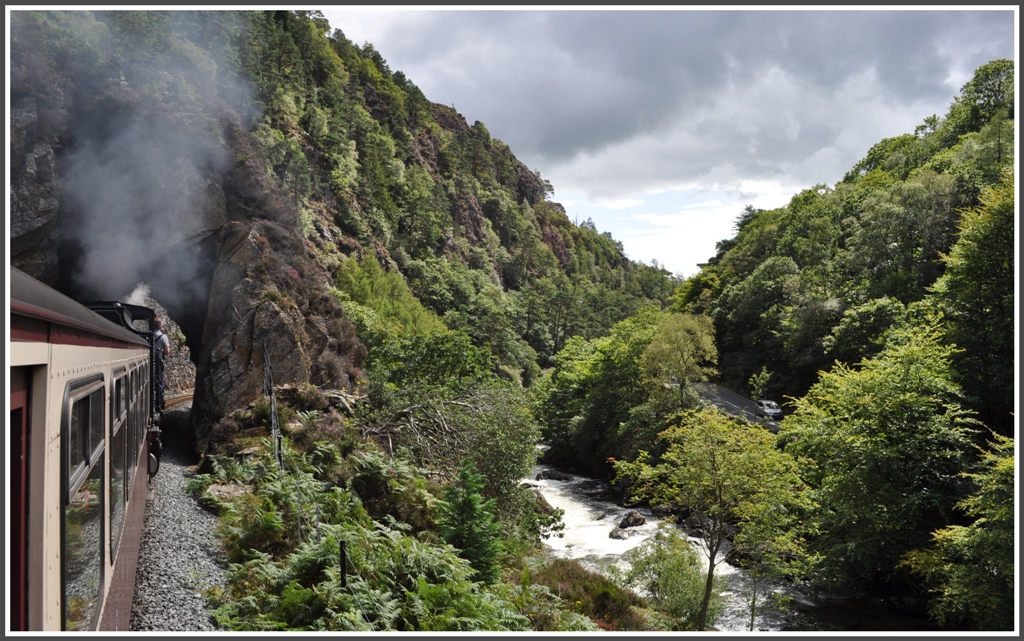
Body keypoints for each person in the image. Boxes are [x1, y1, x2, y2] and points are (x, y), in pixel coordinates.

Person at [153, 318, 171, 412]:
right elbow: (167, 351)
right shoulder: (163, 337)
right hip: (158, 364)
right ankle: (158, 404)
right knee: (158, 383)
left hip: (149, 362)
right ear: (160, 326)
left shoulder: (150, 335)